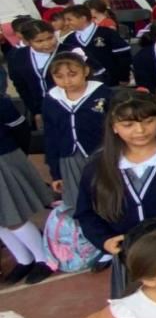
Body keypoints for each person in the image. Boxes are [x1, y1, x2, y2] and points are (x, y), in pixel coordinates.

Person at [75, 91, 156, 292]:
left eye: (148, 121)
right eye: (128, 125)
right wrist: (104, 240)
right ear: (114, 126)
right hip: (132, 262)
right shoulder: (97, 167)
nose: (140, 130)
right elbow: (86, 213)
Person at [43, 51, 112, 211]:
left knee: (107, 196)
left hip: (103, 154)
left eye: (72, 74)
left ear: (85, 71)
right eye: (59, 76)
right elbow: (51, 136)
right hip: (69, 158)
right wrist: (56, 173)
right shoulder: (52, 99)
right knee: (78, 200)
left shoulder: (103, 93)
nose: (67, 81)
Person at [0, 96, 53, 285]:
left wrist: (15, 154)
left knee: (13, 218)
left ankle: (44, 259)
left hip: (4, 158)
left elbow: (21, 129)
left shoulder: (1, 102)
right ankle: (24, 259)